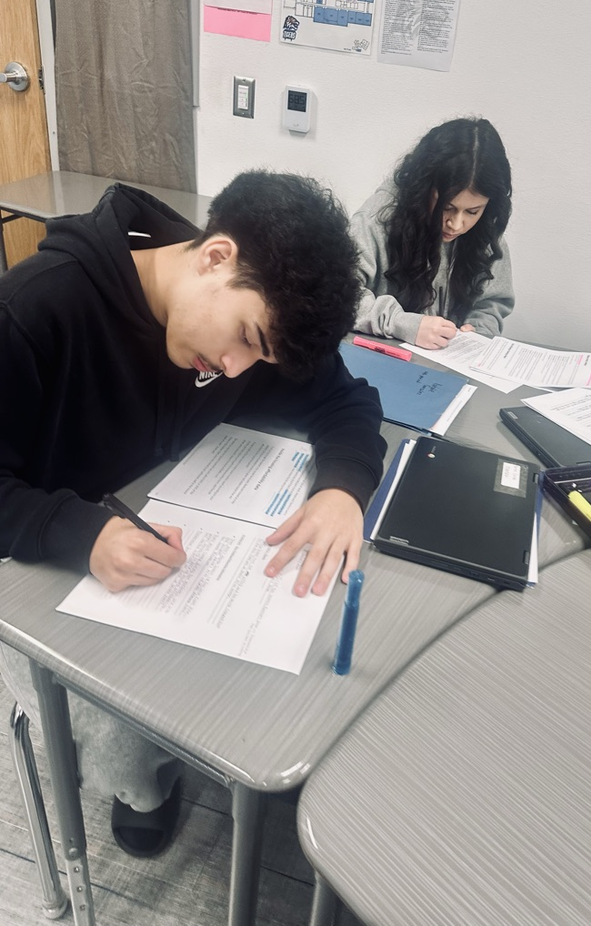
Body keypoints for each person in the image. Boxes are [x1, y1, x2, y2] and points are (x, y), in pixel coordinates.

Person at [0, 170, 386, 857]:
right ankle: (143, 787)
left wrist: (342, 488)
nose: (235, 369)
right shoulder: (33, 311)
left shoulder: (254, 316)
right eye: (245, 338)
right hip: (46, 561)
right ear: (215, 257)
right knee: (124, 741)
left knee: (294, 652)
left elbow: (346, 401)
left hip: (173, 534)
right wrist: (78, 533)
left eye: (258, 354)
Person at [352, 117, 514, 348]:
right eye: (447, 207)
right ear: (424, 189)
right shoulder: (377, 220)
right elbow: (338, 293)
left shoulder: (486, 227)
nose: (456, 224)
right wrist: (402, 324)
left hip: (447, 361)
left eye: (472, 211)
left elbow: (491, 303)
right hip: (381, 357)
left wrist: (479, 330)